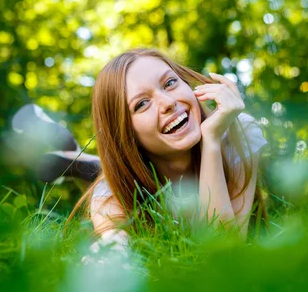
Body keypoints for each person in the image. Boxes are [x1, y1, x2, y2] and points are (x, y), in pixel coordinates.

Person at [63, 48, 268, 248]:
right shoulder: (108, 194)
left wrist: (211, 141)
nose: (168, 102)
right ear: (125, 133)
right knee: (101, 176)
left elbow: (226, 248)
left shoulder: (237, 133)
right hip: (126, 173)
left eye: (170, 83)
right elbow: (113, 246)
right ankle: (78, 161)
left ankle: (84, 161)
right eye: (142, 104)